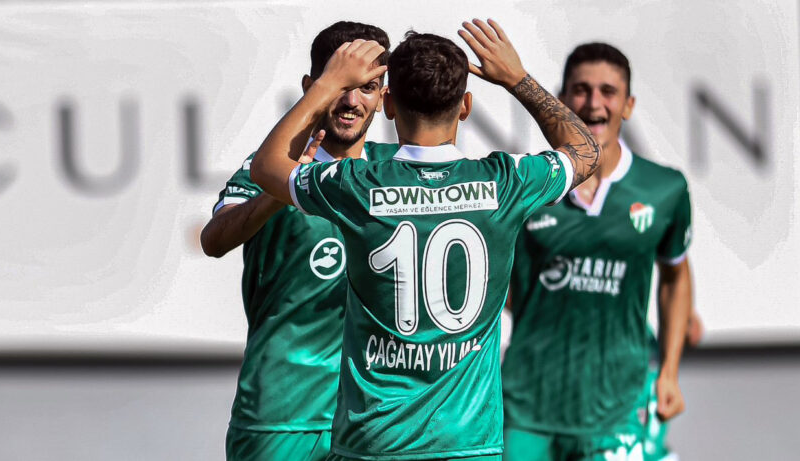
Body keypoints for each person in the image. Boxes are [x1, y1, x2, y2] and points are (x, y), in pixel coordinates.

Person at [249, 19, 600, 460]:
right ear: (466, 106)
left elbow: (266, 167)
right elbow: (586, 150)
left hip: (374, 443)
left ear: (388, 104)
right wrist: (517, 79)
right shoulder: (507, 181)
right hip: (467, 444)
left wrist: (327, 85)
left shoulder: (357, 184)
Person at [199, 21, 396, 461]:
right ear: (312, 88)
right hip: (282, 417)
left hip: (374, 422)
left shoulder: (396, 172)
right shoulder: (271, 167)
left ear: (384, 98)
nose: (351, 101)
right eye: (339, 86)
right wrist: (282, 189)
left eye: (367, 88)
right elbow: (214, 240)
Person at [501, 43, 695, 461]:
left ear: (628, 105)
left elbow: (676, 275)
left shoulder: (664, 189)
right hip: (527, 406)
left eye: (608, 92)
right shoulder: (530, 185)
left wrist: (669, 371)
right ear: (561, 100)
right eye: (581, 90)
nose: (593, 104)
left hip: (617, 410)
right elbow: (497, 282)